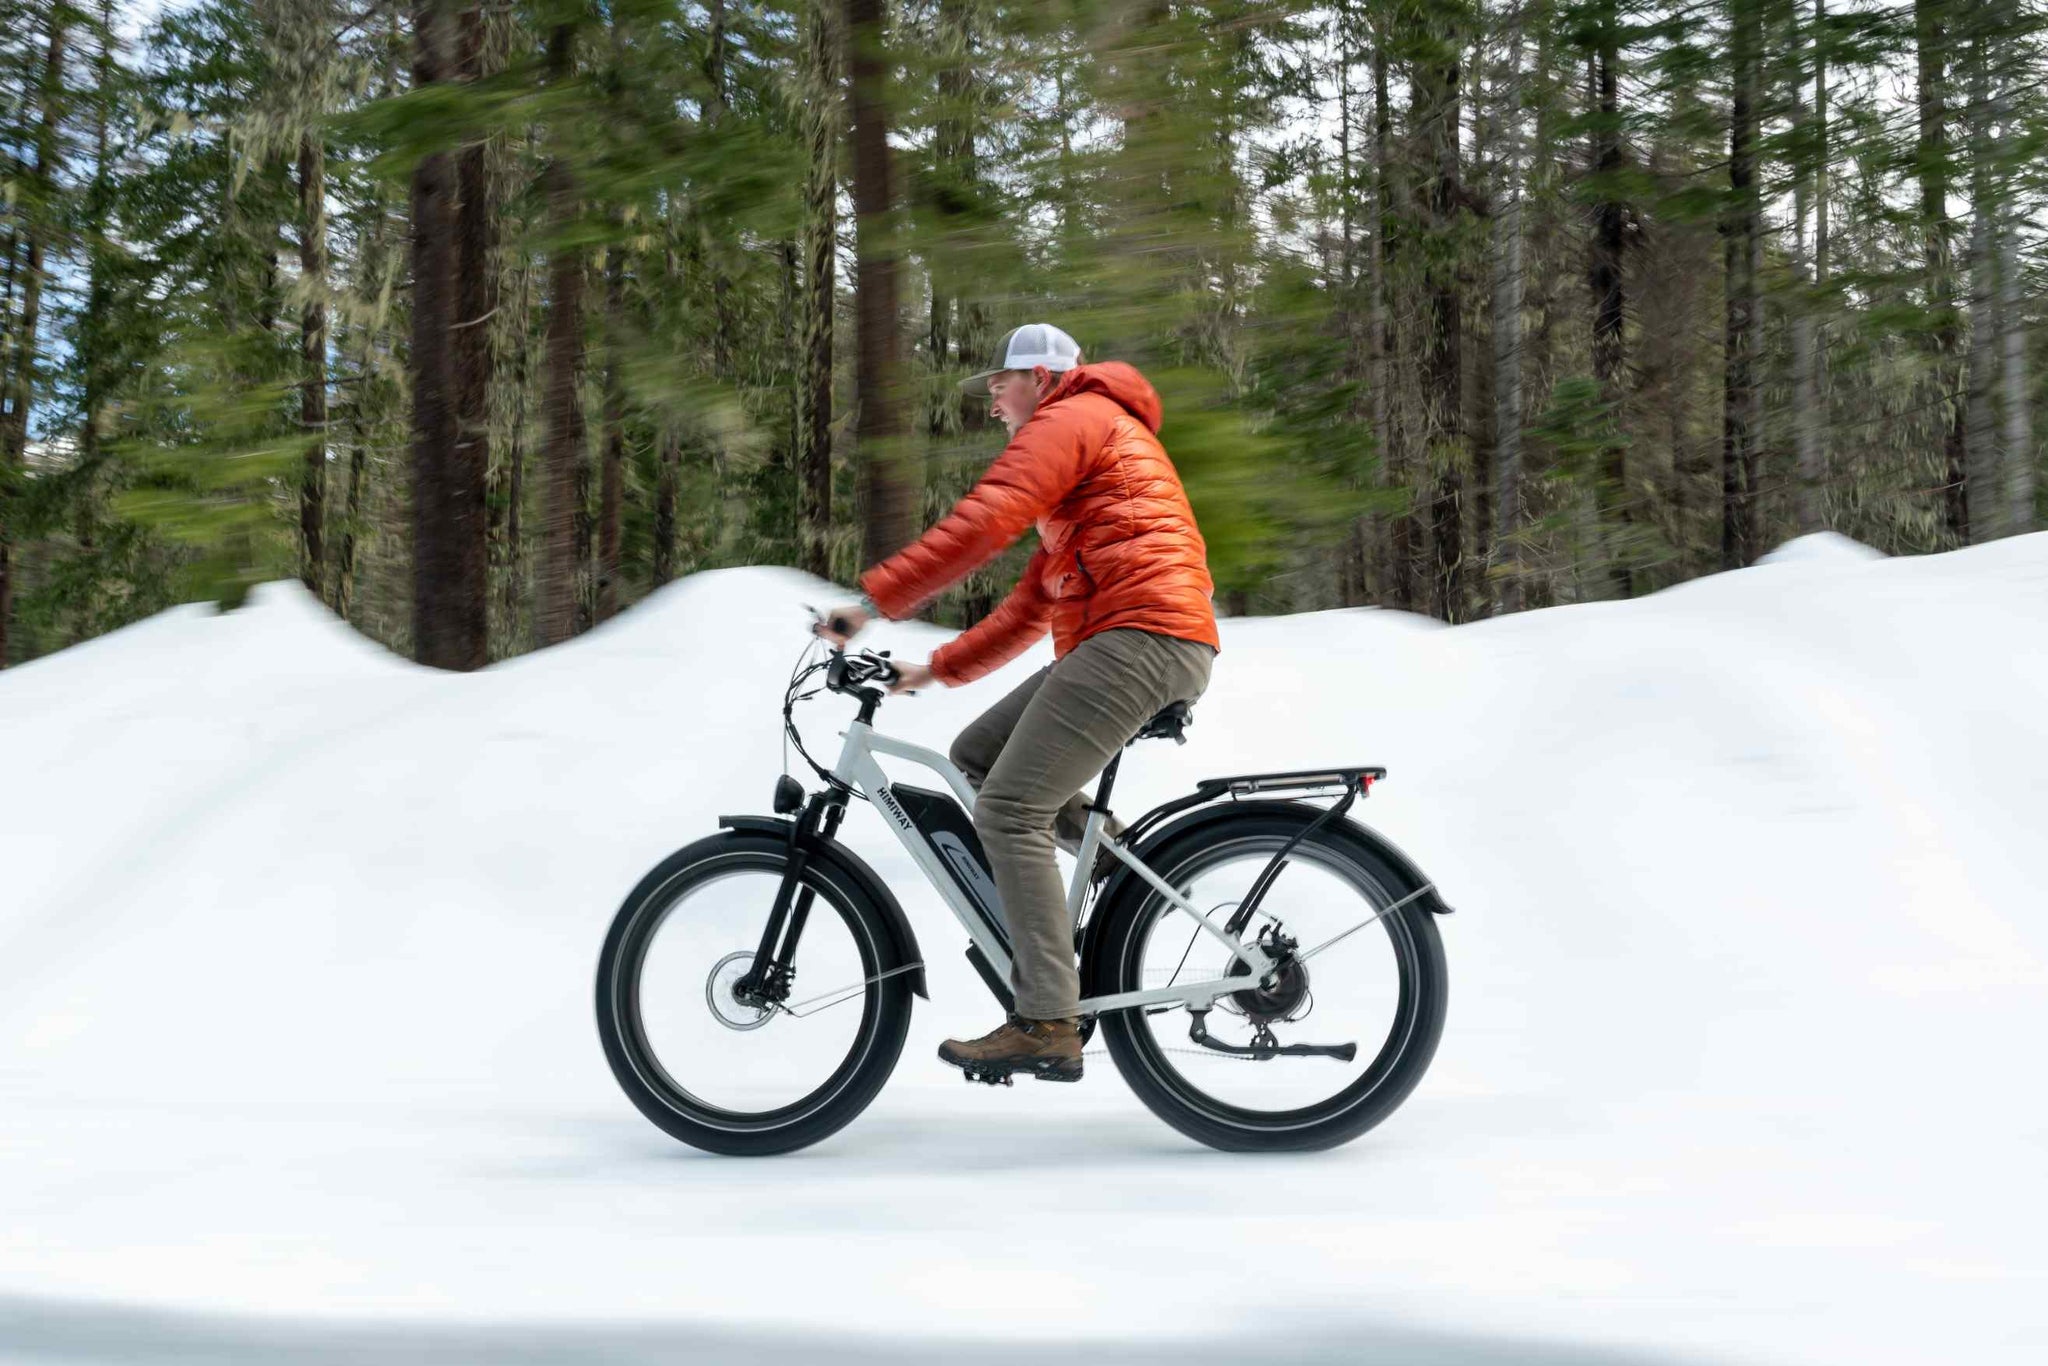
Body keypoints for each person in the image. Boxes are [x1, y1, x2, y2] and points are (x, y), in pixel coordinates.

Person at [818, 323, 1219, 1083]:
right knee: (977, 757)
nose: (992, 398)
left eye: (1000, 382)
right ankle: (1129, 878)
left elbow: (986, 518)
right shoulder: (1089, 449)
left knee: (1008, 809)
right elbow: (1030, 606)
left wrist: (870, 600)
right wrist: (930, 671)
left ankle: (1045, 1020)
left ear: (1039, 377)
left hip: (1141, 637)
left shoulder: (1074, 418)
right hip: (1135, 636)